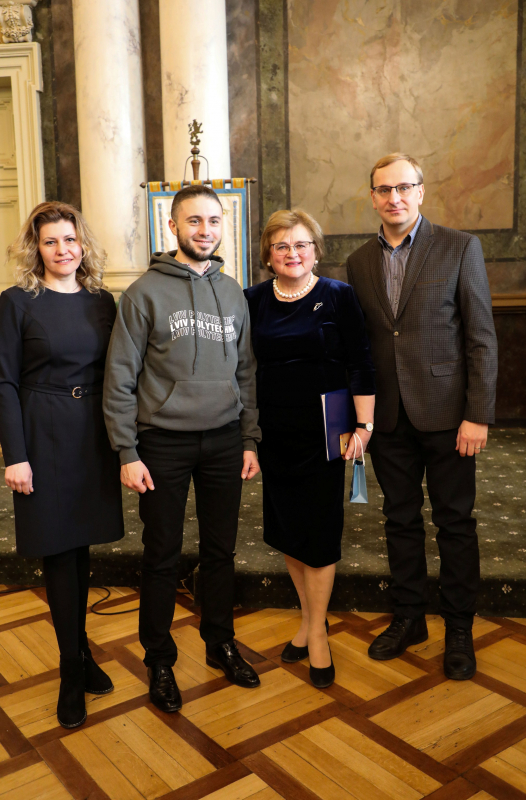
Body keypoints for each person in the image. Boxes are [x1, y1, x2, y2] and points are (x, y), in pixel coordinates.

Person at [103, 184, 261, 713]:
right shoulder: (144, 293)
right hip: (161, 442)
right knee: (162, 554)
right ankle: (159, 660)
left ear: (222, 226)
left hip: (222, 439)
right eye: (194, 221)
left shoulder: (234, 291)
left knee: (220, 550)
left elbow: (247, 372)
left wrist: (248, 438)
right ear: (172, 226)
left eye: (213, 221)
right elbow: (119, 378)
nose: (205, 230)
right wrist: (127, 452)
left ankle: (219, 644)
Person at [346, 153, 498, 680]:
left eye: (403, 188)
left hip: (449, 416)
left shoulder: (459, 247)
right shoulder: (359, 262)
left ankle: (459, 626)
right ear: (372, 197)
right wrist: (359, 420)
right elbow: (361, 346)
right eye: (383, 190)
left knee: (455, 523)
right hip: (388, 418)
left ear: (421, 192)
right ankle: (410, 617)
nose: (394, 198)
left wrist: (477, 414)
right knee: (399, 521)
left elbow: (480, 337)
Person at [0, 202, 124, 729]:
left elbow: (120, 372)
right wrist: (16, 455)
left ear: (83, 243)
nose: (63, 250)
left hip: (91, 434)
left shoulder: (102, 301)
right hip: (43, 432)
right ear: (36, 248)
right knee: (57, 551)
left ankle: (82, 652)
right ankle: (70, 669)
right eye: (51, 242)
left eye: (70, 240)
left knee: (82, 549)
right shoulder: (15, 302)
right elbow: (3, 380)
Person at [245, 209, 375, 689]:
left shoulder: (338, 295)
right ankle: (308, 619)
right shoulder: (253, 299)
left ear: (316, 250)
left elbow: (362, 363)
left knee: (318, 534)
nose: (292, 254)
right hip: (274, 430)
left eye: (301, 245)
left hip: (328, 431)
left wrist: (365, 425)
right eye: (281, 246)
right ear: (268, 255)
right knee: (289, 531)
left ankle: (317, 634)